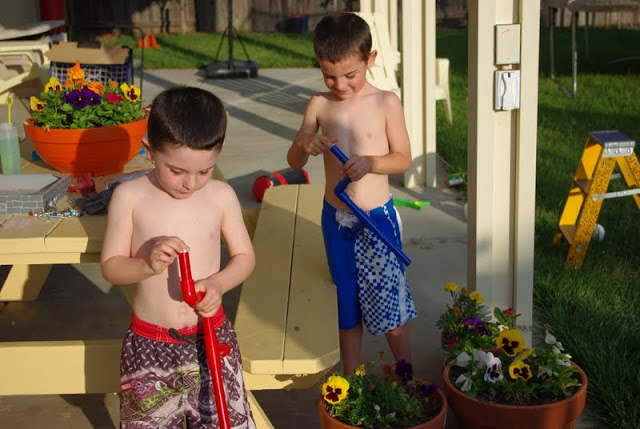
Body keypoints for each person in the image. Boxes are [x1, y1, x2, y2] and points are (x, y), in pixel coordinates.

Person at [101, 86, 256, 428]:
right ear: (150, 150)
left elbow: (244, 256)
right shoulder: (130, 197)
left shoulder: (221, 196)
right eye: (177, 171)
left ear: (219, 151)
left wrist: (218, 284)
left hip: (211, 338)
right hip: (151, 345)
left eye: (204, 171)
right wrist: (146, 264)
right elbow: (111, 266)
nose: (190, 183)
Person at [287, 12, 417, 376]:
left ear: (369, 59)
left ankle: (406, 374)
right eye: (329, 75)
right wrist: (306, 143)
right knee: (346, 297)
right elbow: (293, 158)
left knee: (388, 300)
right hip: (336, 219)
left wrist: (372, 163)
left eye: (350, 75)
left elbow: (403, 159)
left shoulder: (386, 102)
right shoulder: (319, 104)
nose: (340, 85)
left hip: (376, 219)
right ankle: (352, 376)